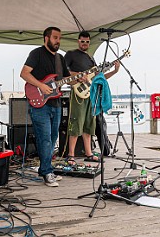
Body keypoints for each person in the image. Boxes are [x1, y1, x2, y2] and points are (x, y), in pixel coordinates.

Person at [20, 27, 72, 187]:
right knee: (45, 139)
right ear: (46, 38)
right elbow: (24, 73)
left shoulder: (60, 58)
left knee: (52, 138)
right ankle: (48, 172)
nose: (58, 41)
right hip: (40, 104)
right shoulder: (37, 53)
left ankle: (45, 169)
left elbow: (66, 79)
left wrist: (79, 79)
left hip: (55, 103)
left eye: (59, 38)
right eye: (55, 37)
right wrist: (41, 86)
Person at [64, 30, 120, 165]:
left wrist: (114, 71)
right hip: (78, 93)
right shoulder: (71, 54)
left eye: (87, 42)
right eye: (82, 41)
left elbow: (99, 78)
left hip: (91, 94)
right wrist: (78, 75)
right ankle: (70, 155)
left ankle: (88, 153)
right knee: (76, 122)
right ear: (78, 41)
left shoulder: (91, 58)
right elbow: (63, 73)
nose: (84, 44)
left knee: (89, 124)